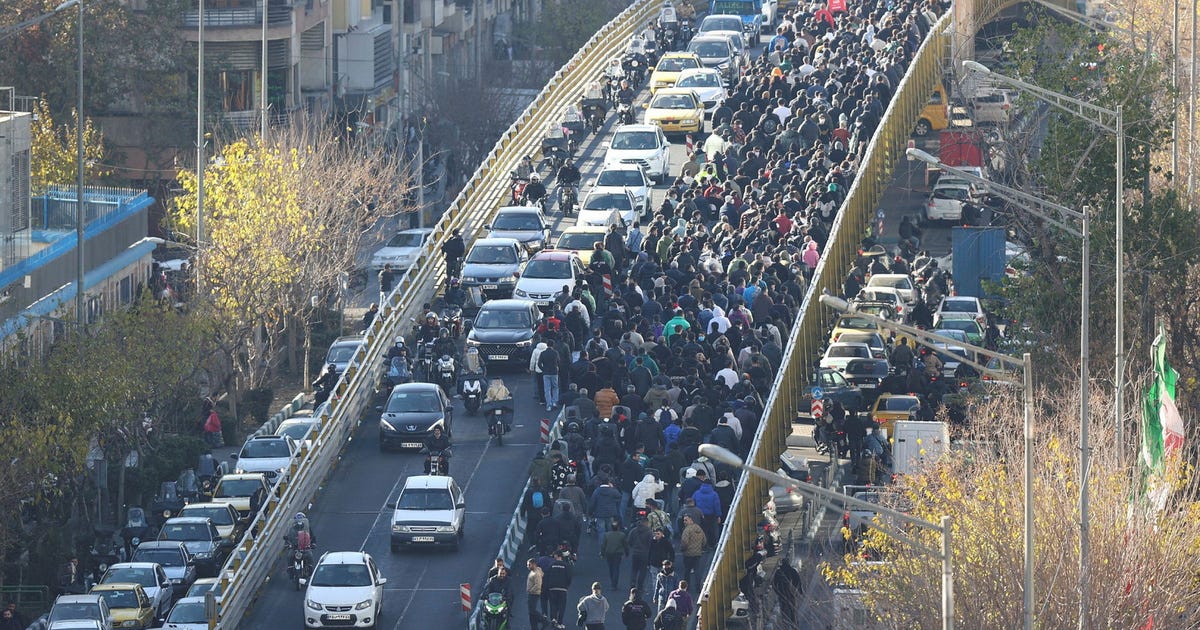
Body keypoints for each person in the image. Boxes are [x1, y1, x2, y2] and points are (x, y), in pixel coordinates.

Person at [545, 550, 574, 624]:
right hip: (562, 588)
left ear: (557, 556)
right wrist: (566, 586)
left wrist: (548, 585)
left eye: (555, 555)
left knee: (553, 604)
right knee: (562, 606)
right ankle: (560, 621)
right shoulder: (566, 565)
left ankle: (553, 618)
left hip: (552, 588)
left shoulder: (552, 564)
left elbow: (546, 576)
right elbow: (569, 577)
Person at [601, 518, 629, 590]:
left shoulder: (606, 535)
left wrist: (602, 553)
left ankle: (612, 581)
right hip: (618, 553)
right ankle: (614, 584)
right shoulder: (622, 535)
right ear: (618, 527)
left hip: (609, 553)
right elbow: (625, 545)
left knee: (611, 568)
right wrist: (627, 553)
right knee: (616, 568)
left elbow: (603, 545)